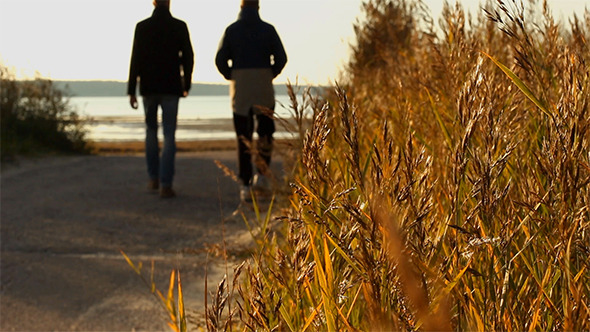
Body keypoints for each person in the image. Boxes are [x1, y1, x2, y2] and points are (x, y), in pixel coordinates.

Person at [215, 0, 287, 202]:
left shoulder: (232, 30)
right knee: (265, 132)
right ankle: (262, 176)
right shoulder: (268, 29)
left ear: (241, 7)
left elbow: (220, 59)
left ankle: (245, 184)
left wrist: (231, 75)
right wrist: (271, 73)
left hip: (241, 86)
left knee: (243, 137)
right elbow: (281, 57)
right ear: (258, 7)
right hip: (263, 83)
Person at [128, 0, 194, 198]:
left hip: (149, 87)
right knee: (169, 135)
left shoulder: (142, 27)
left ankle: (153, 177)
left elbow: (135, 59)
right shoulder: (179, 26)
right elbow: (189, 57)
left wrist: (132, 89)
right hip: (171, 87)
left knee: (150, 132)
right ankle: (166, 183)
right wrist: (186, 83)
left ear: (154, 2)